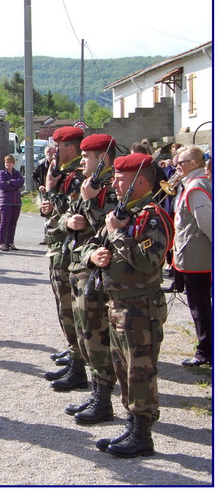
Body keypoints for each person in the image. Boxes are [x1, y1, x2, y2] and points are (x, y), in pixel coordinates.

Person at [80, 153, 173, 458]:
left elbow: (149, 262)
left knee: (140, 372)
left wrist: (119, 233)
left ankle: (143, 433)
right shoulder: (123, 212)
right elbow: (91, 244)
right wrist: (94, 256)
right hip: (117, 305)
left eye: (121, 179)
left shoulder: (151, 217)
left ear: (140, 182)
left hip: (140, 307)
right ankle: (133, 425)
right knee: (124, 370)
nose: (114, 183)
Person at [60, 134, 119, 422]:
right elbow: (67, 216)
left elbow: (109, 232)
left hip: (97, 274)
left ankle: (104, 398)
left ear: (102, 160)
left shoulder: (109, 191)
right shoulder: (89, 187)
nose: (82, 160)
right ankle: (97, 392)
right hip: (78, 267)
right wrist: (69, 221)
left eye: (88, 156)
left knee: (97, 338)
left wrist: (91, 203)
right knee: (85, 336)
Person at [39, 126, 86, 386]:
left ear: (69, 147)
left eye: (58, 146)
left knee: (72, 310)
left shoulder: (77, 177)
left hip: (69, 250)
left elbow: (69, 214)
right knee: (65, 308)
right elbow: (53, 211)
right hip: (60, 247)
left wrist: (51, 191)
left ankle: (78, 365)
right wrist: (46, 197)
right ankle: (74, 355)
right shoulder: (64, 174)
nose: (55, 151)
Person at [171, 146, 212, 367]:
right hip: (193, 253)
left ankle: (205, 351)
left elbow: (207, 222)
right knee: (200, 304)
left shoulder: (195, 187)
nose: (177, 166)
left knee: (200, 306)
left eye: (182, 162)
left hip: (197, 255)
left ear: (195, 163)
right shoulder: (192, 184)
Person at [0, 154, 25, 251]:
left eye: (10, 162)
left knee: (13, 223)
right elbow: (2, 185)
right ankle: (1, 242)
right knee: (5, 222)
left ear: (13, 163)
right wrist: (14, 184)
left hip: (16, 201)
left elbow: (21, 182)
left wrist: (10, 182)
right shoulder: (1, 173)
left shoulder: (17, 173)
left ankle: (10, 242)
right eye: (6, 162)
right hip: (5, 201)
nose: (8, 164)